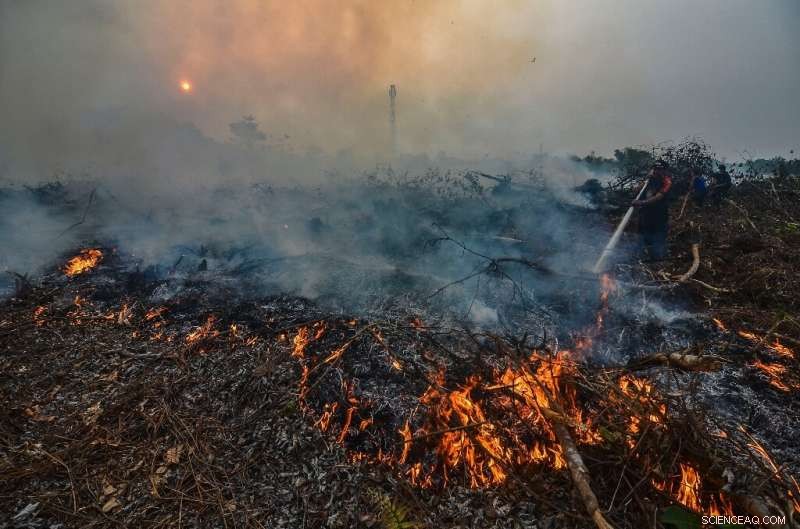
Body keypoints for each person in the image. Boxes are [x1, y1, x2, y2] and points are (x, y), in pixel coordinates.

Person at [632, 161, 673, 260]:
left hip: (659, 217)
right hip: (645, 216)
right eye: (655, 169)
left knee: (657, 244)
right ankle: (640, 260)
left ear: (665, 171)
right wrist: (646, 179)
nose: (657, 171)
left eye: (660, 169)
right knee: (641, 239)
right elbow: (635, 190)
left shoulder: (667, 182)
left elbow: (657, 198)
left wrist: (641, 203)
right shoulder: (649, 180)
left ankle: (656, 262)